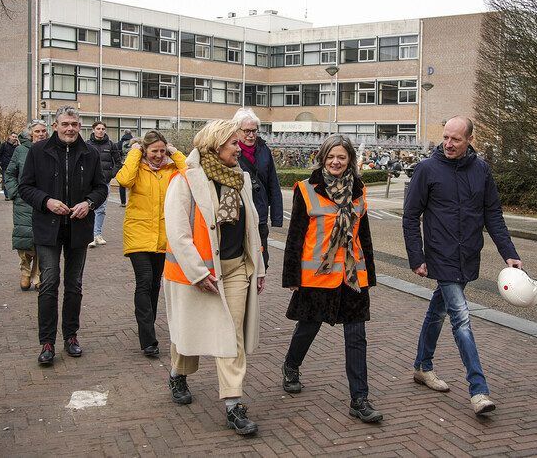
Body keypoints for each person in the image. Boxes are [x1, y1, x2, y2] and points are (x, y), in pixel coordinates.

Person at [402, 116, 522, 416]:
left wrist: (509, 252)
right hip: (440, 257)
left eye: (455, 138)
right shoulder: (427, 169)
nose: (448, 143)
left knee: (438, 311)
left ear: (469, 139)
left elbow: (493, 214)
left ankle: (422, 366)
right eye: (445, 137)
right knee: (461, 318)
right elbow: (410, 215)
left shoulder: (481, 170)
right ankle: (478, 390)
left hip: (468, 256)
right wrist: (417, 257)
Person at [163, 119, 265, 436]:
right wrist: (197, 272)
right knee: (188, 332)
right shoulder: (186, 180)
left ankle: (233, 405)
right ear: (216, 145)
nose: (240, 147)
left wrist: (258, 267)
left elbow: (251, 228)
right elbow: (178, 234)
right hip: (198, 274)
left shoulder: (241, 180)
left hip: (235, 271)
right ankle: (178, 373)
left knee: (230, 334)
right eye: (234, 143)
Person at [281, 135, 383, 424]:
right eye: (330, 157)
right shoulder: (306, 189)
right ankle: (291, 365)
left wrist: (370, 273)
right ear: (322, 159)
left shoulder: (359, 191)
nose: (336, 162)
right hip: (317, 276)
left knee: (356, 337)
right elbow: (296, 236)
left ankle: (359, 399)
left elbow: (363, 234)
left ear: (349, 159)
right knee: (308, 328)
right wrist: (291, 275)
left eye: (341, 157)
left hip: (352, 276)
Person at [19, 106, 108, 365]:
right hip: (48, 228)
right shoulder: (38, 151)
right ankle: (47, 341)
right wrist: (46, 201)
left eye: (74, 124)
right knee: (48, 283)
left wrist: (88, 203)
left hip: (78, 229)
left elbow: (101, 188)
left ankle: (71, 336)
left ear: (80, 126)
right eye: (65, 124)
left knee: (74, 284)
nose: (70, 129)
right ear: (55, 125)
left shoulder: (89, 153)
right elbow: (25, 187)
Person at [115, 131, 186, 357]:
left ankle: (149, 325)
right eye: (153, 151)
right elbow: (123, 180)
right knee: (144, 281)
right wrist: (135, 153)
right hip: (138, 233)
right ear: (145, 151)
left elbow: (192, 175)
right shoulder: (137, 168)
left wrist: (175, 153)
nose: (158, 155)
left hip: (164, 236)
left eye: (161, 151)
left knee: (155, 284)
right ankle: (147, 339)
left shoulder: (171, 169)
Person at [233, 107, 283, 270]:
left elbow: (273, 184)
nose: (251, 135)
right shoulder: (230, 151)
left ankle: (254, 294)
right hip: (238, 216)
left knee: (262, 262)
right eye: (247, 131)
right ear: (237, 130)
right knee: (239, 262)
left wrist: (277, 218)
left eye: (254, 131)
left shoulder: (264, 150)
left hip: (259, 215)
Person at [5, 121, 49, 291]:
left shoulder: (49, 149)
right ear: (31, 133)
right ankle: (25, 271)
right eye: (37, 131)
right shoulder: (20, 150)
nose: (41, 134)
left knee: (41, 240)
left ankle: (37, 275)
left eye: (44, 131)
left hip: (43, 201)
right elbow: (10, 174)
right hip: (23, 201)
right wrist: (15, 193)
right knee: (23, 239)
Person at [87, 121, 121, 247]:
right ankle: (90, 236)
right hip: (89, 182)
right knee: (89, 207)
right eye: (98, 128)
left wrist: (111, 174)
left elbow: (118, 162)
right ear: (93, 130)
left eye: (103, 129)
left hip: (104, 181)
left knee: (101, 208)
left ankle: (97, 234)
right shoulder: (87, 144)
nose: (100, 131)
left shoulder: (111, 145)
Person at [0, 131, 20, 199]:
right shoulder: (4, 145)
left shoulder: (18, 147)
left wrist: (18, 144)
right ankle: (7, 195)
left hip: (15, 166)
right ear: (9, 137)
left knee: (15, 180)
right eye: (13, 136)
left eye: (16, 137)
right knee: (6, 180)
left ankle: (14, 194)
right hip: (5, 166)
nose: (14, 138)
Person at [117, 129, 134, 207]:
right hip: (132, 164)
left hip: (122, 165)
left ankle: (123, 202)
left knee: (122, 184)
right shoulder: (134, 143)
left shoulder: (119, 143)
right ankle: (132, 201)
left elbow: (117, 155)